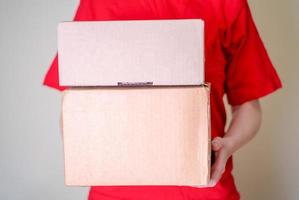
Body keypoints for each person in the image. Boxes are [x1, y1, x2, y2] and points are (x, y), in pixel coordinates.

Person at [43, 0, 282, 199]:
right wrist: (87, 157)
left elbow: (248, 107)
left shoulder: (226, 3)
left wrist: (227, 146)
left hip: (204, 188)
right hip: (114, 192)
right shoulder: (98, 3)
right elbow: (75, 104)